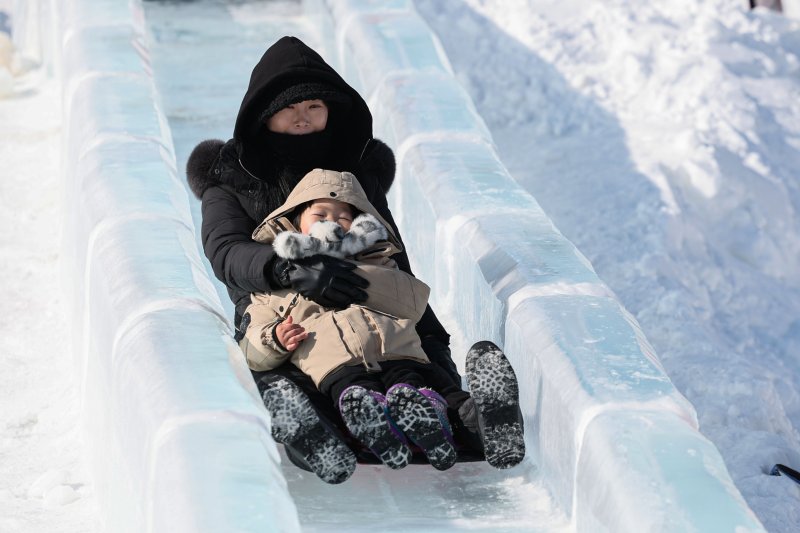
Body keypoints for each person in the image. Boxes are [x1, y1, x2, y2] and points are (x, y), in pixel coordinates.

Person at [185, 36, 523, 484]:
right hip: (279, 299)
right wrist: (292, 270)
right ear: (264, 114)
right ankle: (317, 431)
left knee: (410, 352)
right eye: (289, 108)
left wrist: (428, 335)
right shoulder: (231, 174)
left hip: (364, 287)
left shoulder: (353, 167)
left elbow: (391, 255)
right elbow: (226, 250)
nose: (303, 117)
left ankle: (468, 419)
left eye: (314, 106)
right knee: (307, 366)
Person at [240, 168, 476, 472]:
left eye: (343, 216)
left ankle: (450, 421)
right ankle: (372, 426)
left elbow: (414, 302)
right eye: (320, 212)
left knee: (411, 386)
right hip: (336, 365)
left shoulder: (379, 261)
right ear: (296, 223)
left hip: (399, 353)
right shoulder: (277, 285)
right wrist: (274, 337)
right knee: (354, 393)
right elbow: (253, 342)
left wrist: (351, 276)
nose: (332, 220)